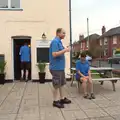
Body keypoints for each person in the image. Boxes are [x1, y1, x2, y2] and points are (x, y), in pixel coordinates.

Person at [49, 28, 71, 108]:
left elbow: (61, 52)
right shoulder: (55, 42)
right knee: (56, 85)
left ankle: (62, 99)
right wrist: (65, 50)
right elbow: (54, 54)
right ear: (58, 33)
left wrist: (65, 49)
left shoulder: (59, 42)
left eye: (65, 33)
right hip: (56, 67)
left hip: (60, 68)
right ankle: (55, 101)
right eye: (63, 33)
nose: (65, 34)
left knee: (61, 84)